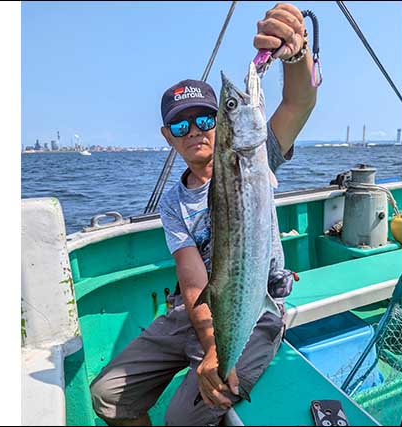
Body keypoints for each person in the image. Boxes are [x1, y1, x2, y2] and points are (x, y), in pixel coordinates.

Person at [90, 3, 317, 425]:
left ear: (221, 123)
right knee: (107, 395)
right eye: (180, 126)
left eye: (206, 117)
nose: (194, 130)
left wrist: (295, 55)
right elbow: (194, 285)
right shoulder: (173, 203)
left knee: (183, 419)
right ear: (167, 137)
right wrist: (212, 344)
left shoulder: (257, 155)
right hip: (195, 313)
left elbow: (299, 102)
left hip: (255, 309)